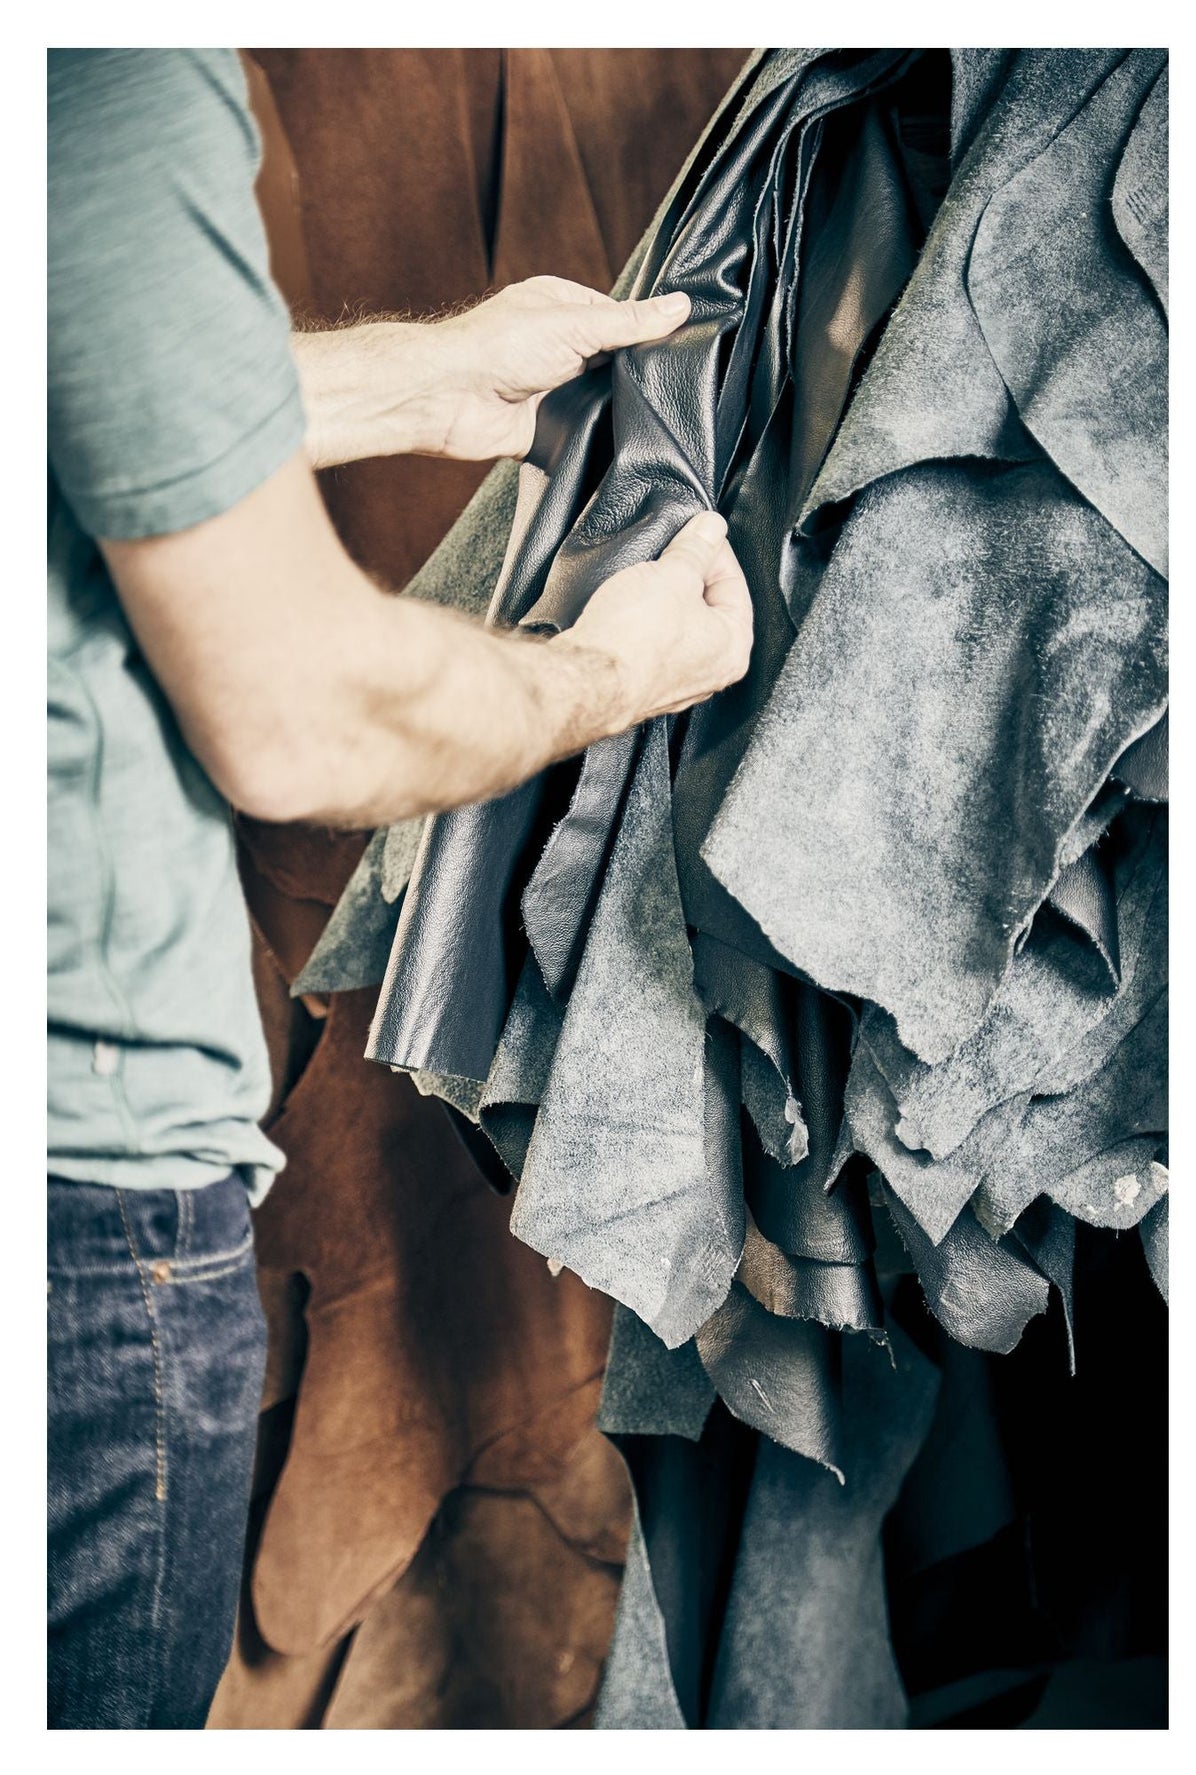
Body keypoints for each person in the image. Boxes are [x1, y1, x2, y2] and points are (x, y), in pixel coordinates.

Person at [47, 48, 752, 1729]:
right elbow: (300, 719)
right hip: (76, 1209)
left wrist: (425, 380)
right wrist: (603, 675)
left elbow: (68, 356)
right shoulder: (105, 69)